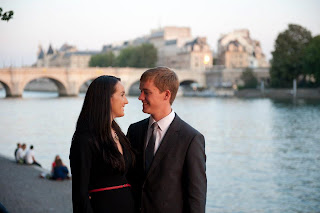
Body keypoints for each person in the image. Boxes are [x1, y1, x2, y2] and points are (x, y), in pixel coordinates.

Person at [127, 67, 207, 213]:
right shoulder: (134, 131)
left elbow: (196, 197)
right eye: (141, 91)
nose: (140, 97)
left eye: (146, 92)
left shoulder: (191, 139)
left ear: (166, 95)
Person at [69, 75, 135, 213]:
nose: (126, 101)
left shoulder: (119, 134)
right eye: (122, 95)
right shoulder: (84, 139)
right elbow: (80, 194)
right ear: (106, 98)